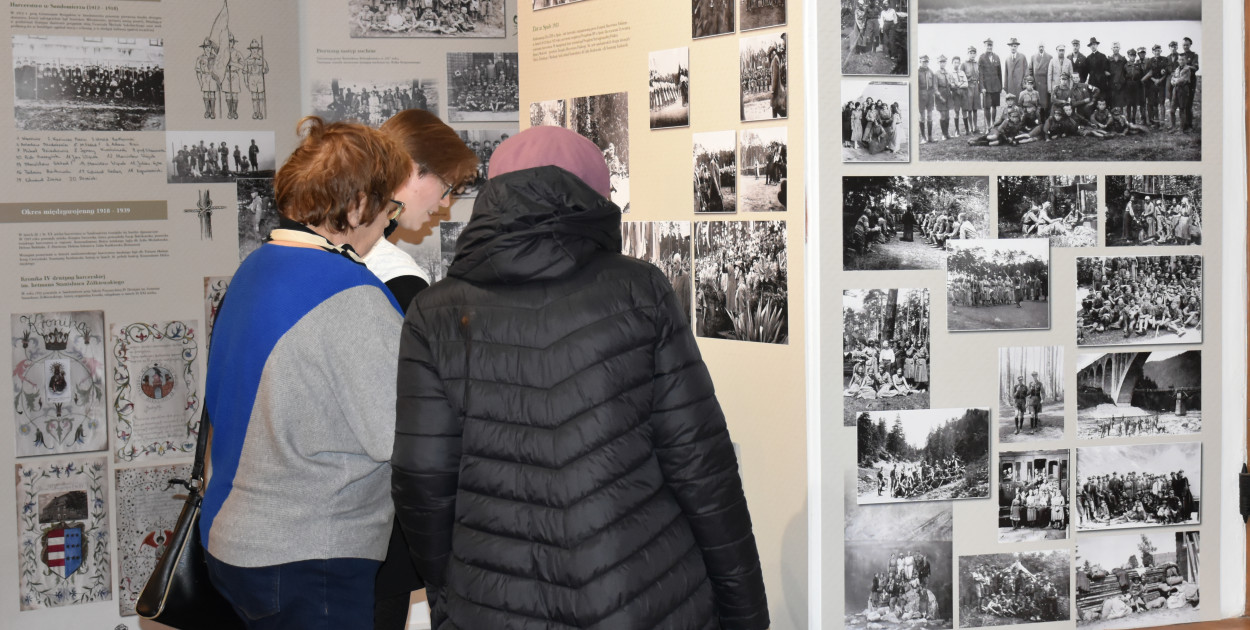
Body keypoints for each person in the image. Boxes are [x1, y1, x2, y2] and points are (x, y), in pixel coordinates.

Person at [391, 125, 770, 629]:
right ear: (592, 197)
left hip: (496, 601)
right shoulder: (640, 292)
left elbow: (422, 481)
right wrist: (745, 611)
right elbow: (700, 463)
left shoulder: (433, 313)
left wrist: (453, 593)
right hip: (642, 593)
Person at [201, 117, 414, 629]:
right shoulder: (350, 294)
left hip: (237, 538)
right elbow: (399, 435)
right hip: (308, 552)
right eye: (390, 208)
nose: (389, 223)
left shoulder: (256, 267)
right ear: (360, 204)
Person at [360, 108, 479, 630]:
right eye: (448, 187)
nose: (447, 205)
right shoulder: (397, 279)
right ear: (412, 172)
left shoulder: (330, 258)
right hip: (374, 521)